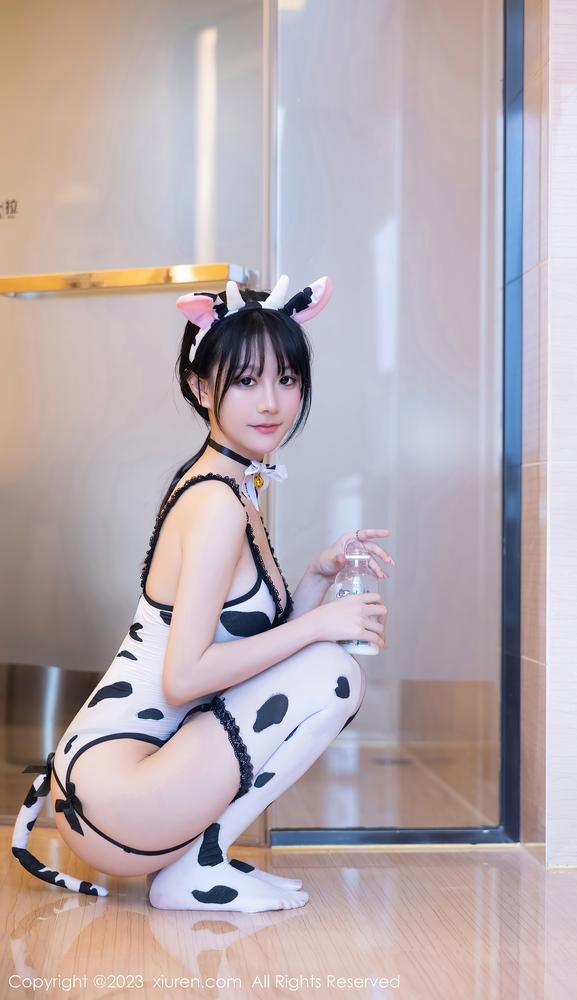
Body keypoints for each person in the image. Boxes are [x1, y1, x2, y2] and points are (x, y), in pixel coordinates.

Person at [12, 273, 392, 912]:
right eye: (245, 381)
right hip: (117, 793)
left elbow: (253, 657)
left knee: (324, 663)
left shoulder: (229, 485)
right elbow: (186, 677)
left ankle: (199, 863)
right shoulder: (216, 501)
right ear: (200, 387)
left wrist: (318, 576)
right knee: (335, 673)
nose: (270, 402)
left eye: (286, 379)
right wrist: (319, 626)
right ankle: (199, 866)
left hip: (116, 786)